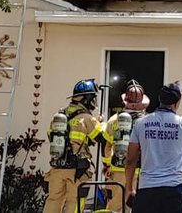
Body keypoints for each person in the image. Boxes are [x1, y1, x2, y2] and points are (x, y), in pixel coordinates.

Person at [124, 82, 182, 213]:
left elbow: (130, 160)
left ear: (159, 100)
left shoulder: (141, 124)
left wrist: (129, 187)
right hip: (174, 189)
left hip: (147, 188)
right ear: (177, 103)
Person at [44, 79, 104, 213]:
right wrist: (100, 122)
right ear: (87, 99)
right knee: (75, 202)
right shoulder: (87, 118)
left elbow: (51, 136)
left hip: (57, 168)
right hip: (78, 171)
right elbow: (100, 138)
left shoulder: (58, 116)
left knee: (53, 201)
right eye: (93, 98)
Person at [98, 79, 150, 210]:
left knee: (115, 207)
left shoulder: (114, 120)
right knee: (137, 207)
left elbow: (106, 145)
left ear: (124, 101)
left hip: (118, 170)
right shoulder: (147, 121)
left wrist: (107, 165)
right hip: (139, 172)